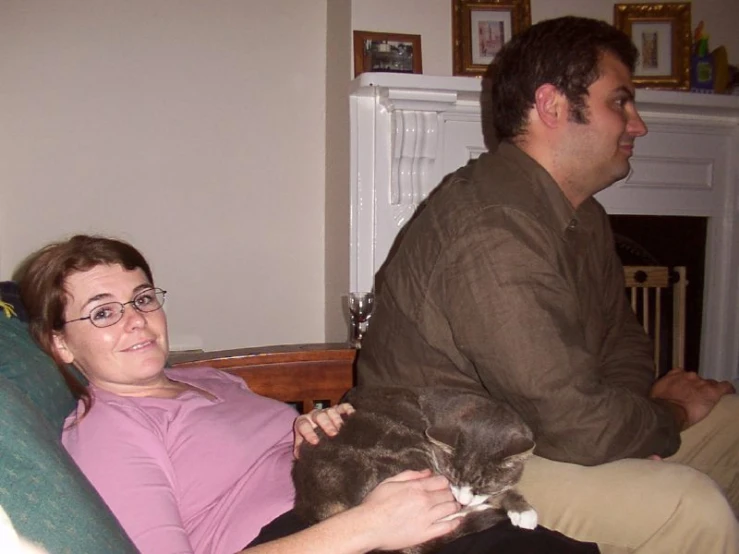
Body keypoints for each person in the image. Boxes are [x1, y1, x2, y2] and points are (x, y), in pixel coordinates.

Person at [356, 16, 739, 554]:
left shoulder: (585, 216)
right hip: (450, 468)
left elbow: (621, 340)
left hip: (542, 435)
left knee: (732, 422)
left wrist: (630, 432)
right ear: (553, 106)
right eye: (620, 102)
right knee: (689, 508)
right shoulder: (490, 228)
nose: (638, 125)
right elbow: (573, 424)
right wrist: (667, 414)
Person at [17, 234, 596, 554]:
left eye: (143, 298)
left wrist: (308, 435)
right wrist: (367, 527)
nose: (137, 321)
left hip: (389, 489)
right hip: (330, 535)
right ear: (61, 346)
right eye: (102, 313)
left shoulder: (207, 379)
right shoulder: (110, 433)